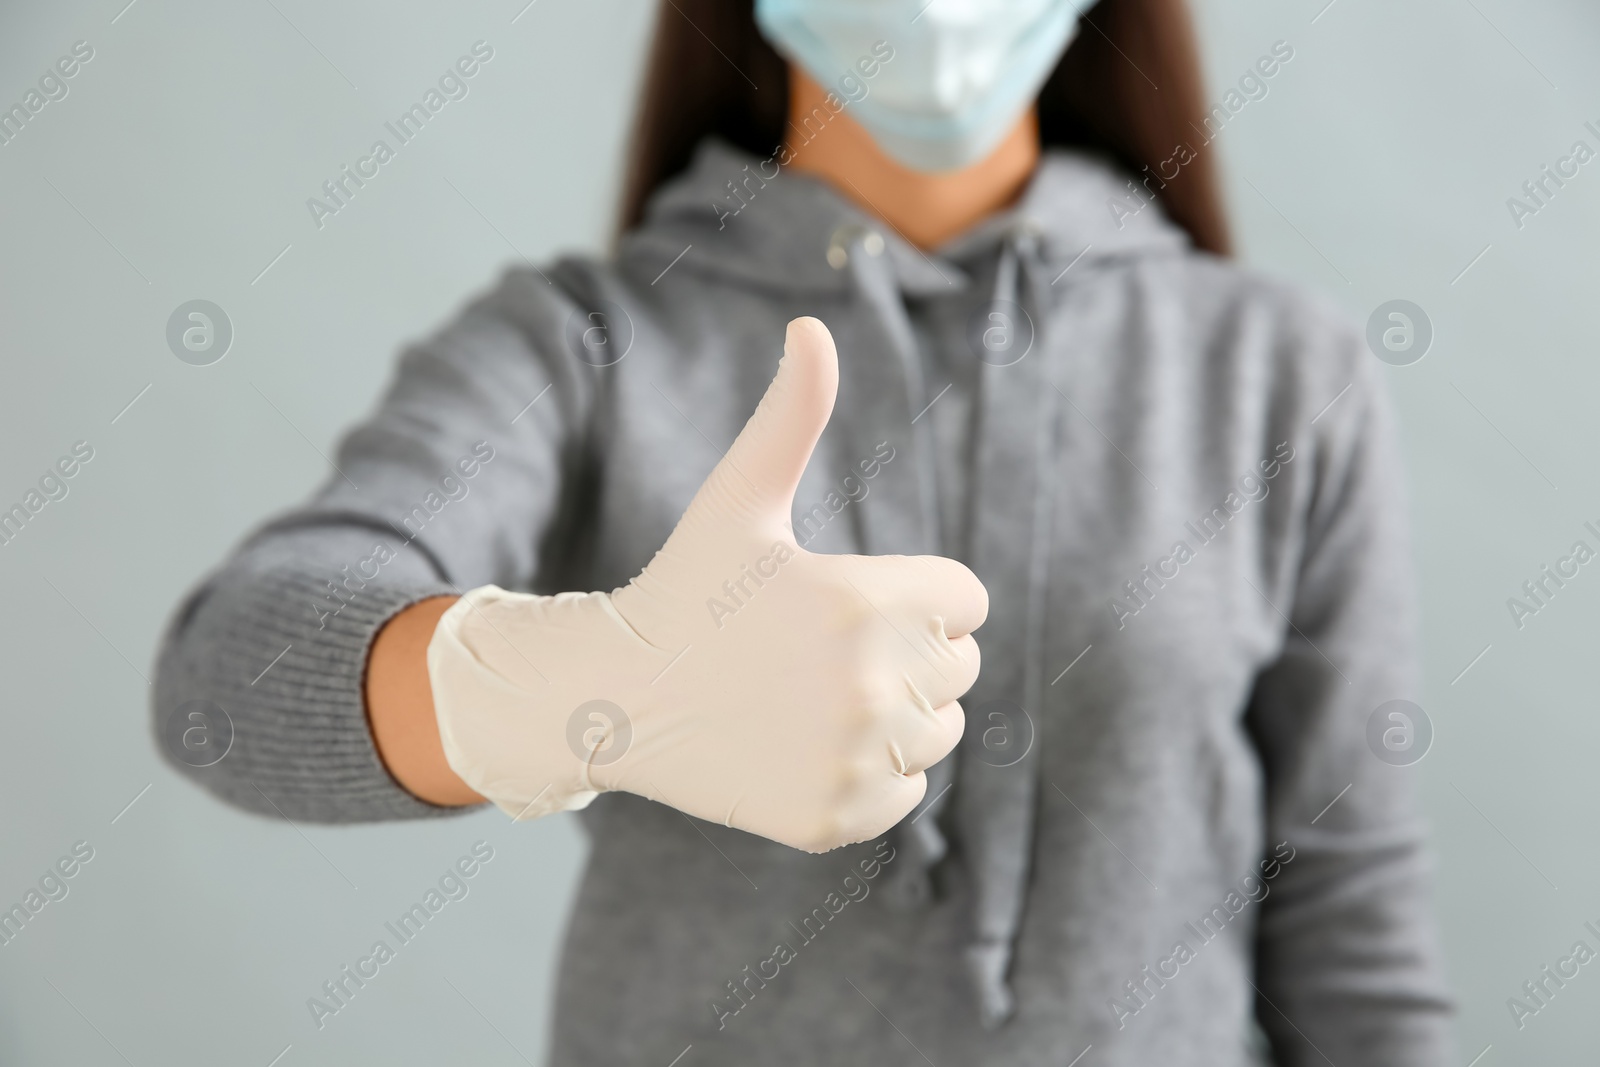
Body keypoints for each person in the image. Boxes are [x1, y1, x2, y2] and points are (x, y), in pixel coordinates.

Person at [154, 0, 1457, 1062]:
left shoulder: (1280, 369)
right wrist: (598, 684)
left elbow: (1348, 916)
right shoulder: (586, 344)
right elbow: (226, 680)